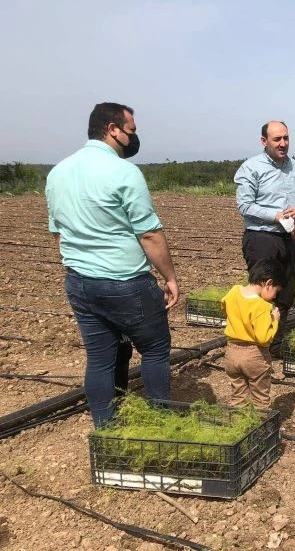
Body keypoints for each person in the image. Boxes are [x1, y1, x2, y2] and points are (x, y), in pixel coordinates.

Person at [45, 102, 180, 426]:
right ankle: (161, 425)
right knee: (156, 349)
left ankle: (106, 430)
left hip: (79, 282)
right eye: (131, 130)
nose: (134, 137)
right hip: (125, 283)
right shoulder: (124, 172)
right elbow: (149, 234)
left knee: (101, 359)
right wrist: (170, 277)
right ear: (112, 129)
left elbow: (58, 233)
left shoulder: (58, 172)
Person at [235, 121, 295, 321]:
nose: (283, 143)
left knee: (285, 293)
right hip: (262, 237)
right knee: (263, 293)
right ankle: (257, 345)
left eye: (286, 138)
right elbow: (245, 205)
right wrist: (275, 215)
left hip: (288, 237)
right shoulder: (251, 167)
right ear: (264, 141)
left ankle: (275, 346)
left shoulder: (294, 166)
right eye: (277, 139)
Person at [221, 260, 287, 408]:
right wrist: (274, 321)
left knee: (238, 396)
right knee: (260, 398)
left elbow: (223, 305)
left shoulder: (234, 291)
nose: (275, 296)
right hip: (254, 355)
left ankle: (239, 426)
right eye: (276, 291)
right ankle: (261, 427)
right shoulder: (262, 306)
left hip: (232, 353)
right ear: (268, 284)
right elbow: (263, 338)